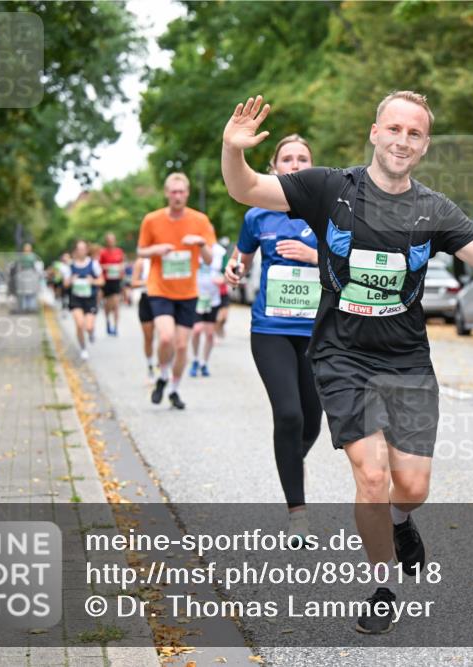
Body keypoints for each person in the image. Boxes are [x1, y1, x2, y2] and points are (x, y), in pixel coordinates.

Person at [221, 92, 473, 634]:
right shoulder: (327, 188)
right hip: (341, 354)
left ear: (424, 145)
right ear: (374, 133)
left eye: (414, 134)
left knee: (410, 487)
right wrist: (233, 150)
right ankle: (383, 584)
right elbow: (245, 187)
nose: (402, 140)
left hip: (406, 357)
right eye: (394, 129)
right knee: (371, 476)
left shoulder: (435, 209)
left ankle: (401, 518)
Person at [224, 134, 325, 545]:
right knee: (289, 416)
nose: (296, 164)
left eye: (303, 158)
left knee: (313, 424)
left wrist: (314, 257)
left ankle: (289, 463)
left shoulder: (330, 213)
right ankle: (297, 514)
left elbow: (352, 260)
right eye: (288, 158)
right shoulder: (258, 215)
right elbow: (240, 258)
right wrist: (235, 269)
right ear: (274, 167)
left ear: (313, 167)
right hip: (271, 330)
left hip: (319, 333)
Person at [137, 173, 216, 410]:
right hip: (159, 288)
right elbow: (141, 251)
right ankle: (162, 373)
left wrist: (200, 244)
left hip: (188, 292)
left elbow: (210, 259)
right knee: (165, 337)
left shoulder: (200, 220)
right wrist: (156, 250)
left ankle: (173, 388)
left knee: (182, 346)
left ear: (187, 193)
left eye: (182, 192)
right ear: (166, 193)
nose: (178, 196)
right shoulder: (152, 220)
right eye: (173, 192)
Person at [190, 239, 227, 377]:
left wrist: (223, 279)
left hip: (213, 298)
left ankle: (204, 363)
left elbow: (228, 271)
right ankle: (194, 359)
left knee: (210, 334)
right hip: (197, 297)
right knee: (197, 330)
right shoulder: (194, 248)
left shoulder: (220, 251)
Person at [64, 240, 104, 360]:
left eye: (83, 249)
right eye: (79, 249)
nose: (81, 251)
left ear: (87, 250)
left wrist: (93, 281)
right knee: (80, 324)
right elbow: (65, 284)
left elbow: (102, 281)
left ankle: (91, 333)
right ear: (75, 251)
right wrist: (71, 280)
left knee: (89, 326)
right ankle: (83, 348)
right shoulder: (70, 266)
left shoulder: (93, 264)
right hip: (76, 299)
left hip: (90, 299)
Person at [130, 255, 156, 377]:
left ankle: (163, 366)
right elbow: (133, 282)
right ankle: (150, 365)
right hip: (146, 299)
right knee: (148, 337)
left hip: (164, 299)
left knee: (165, 336)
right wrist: (148, 282)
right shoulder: (142, 261)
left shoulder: (165, 257)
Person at [99, 232, 126, 335]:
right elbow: (99, 266)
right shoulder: (103, 253)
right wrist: (108, 267)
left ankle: (115, 327)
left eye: (113, 240)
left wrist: (121, 269)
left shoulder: (119, 251)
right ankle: (107, 321)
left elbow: (122, 263)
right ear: (107, 241)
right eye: (109, 240)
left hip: (116, 280)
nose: (111, 242)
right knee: (108, 304)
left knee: (116, 303)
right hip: (106, 281)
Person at [214, 236, 231, 338]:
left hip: (223, 290)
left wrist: (225, 279)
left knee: (224, 317)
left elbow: (228, 272)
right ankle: (214, 332)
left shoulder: (224, 257)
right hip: (214, 291)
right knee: (216, 316)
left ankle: (219, 327)